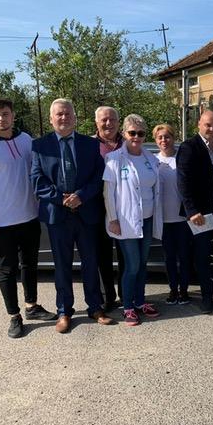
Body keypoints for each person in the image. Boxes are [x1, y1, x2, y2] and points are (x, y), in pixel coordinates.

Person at [0, 97, 56, 338]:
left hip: (29, 217)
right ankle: (14, 316)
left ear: (13, 115)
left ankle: (32, 306)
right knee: (7, 269)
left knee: (30, 265)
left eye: (5, 114)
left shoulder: (25, 140)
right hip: (2, 222)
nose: (1, 119)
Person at [31, 98, 114, 333]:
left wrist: (81, 196)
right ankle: (64, 311)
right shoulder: (40, 145)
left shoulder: (90, 144)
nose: (64, 117)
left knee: (91, 263)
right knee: (62, 266)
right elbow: (37, 180)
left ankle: (95, 307)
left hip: (86, 213)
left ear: (75, 117)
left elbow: (99, 176)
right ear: (51, 119)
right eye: (59, 114)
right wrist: (61, 198)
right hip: (58, 215)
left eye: (68, 113)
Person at [103, 114, 162, 326]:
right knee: (133, 264)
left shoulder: (150, 158)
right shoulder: (114, 159)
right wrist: (113, 219)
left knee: (143, 263)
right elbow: (108, 193)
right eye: (132, 133)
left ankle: (140, 301)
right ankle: (128, 306)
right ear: (124, 134)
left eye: (141, 133)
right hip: (126, 221)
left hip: (147, 218)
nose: (136, 137)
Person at [176, 111, 213, 314]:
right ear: (199, 124)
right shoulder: (189, 147)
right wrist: (192, 211)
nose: (212, 129)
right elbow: (183, 181)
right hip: (201, 214)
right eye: (208, 125)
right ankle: (207, 297)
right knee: (202, 255)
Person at [154, 123, 192, 305]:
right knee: (169, 258)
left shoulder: (182, 158)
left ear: (173, 138)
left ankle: (184, 290)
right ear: (156, 140)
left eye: (167, 137)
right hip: (163, 219)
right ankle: (173, 290)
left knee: (184, 257)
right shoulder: (153, 161)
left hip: (183, 218)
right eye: (160, 137)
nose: (164, 140)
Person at [93, 105, 124, 311]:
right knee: (102, 255)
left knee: (125, 255)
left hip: (124, 207)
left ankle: (127, 295)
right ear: (96, 122)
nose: (108, 123)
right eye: (104, 119)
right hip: (97, 207)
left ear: (118, 122)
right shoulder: (88, 145)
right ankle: (107, 298)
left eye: (112, 119)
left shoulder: (128, 143)